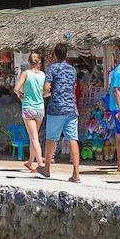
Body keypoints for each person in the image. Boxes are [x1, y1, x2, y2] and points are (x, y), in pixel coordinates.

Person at [42, 43, 82, 183]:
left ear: (55, 54)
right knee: (72, 139)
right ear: (66, 55)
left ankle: (47, 169)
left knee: (51, 138)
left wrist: (47, 93)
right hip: (71, 107)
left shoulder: (52, 68)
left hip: (56, 108)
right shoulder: (72, 70)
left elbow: (47, 87)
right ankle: (76, 173)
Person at [15, 52, 47, 175]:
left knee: (34, 138)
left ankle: (40, 164)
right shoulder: (43, 75)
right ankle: (30, 162)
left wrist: (21, 96)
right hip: (40, 108)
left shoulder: (26, 73)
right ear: (39, 62)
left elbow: (16, 88)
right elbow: (46, 91)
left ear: (29, 62)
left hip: (28, 107)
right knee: (34, 137)